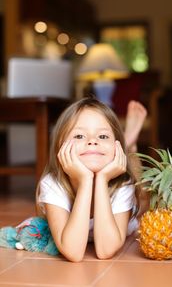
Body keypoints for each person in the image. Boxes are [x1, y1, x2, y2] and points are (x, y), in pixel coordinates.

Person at [0, 97, 148, 262]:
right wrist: (86, 180)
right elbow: (73, 252)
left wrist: (102, 180)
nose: (93, 141)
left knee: (141, 195)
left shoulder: (122, 184)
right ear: (60, 147)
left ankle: (129, 146)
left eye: (103, 136)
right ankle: (128, 143)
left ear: (116, 147)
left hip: (120, 184)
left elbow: (105, 250)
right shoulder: (53, 184)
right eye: (79, 136)